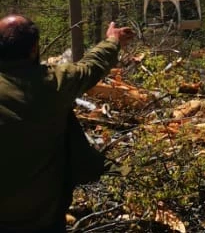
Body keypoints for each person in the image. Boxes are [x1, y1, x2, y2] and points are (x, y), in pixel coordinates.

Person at [0, 14, 134, 232]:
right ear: (34, 49)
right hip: (42, 219)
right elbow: (92, 66)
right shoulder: (55, 83)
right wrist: (112, 40)